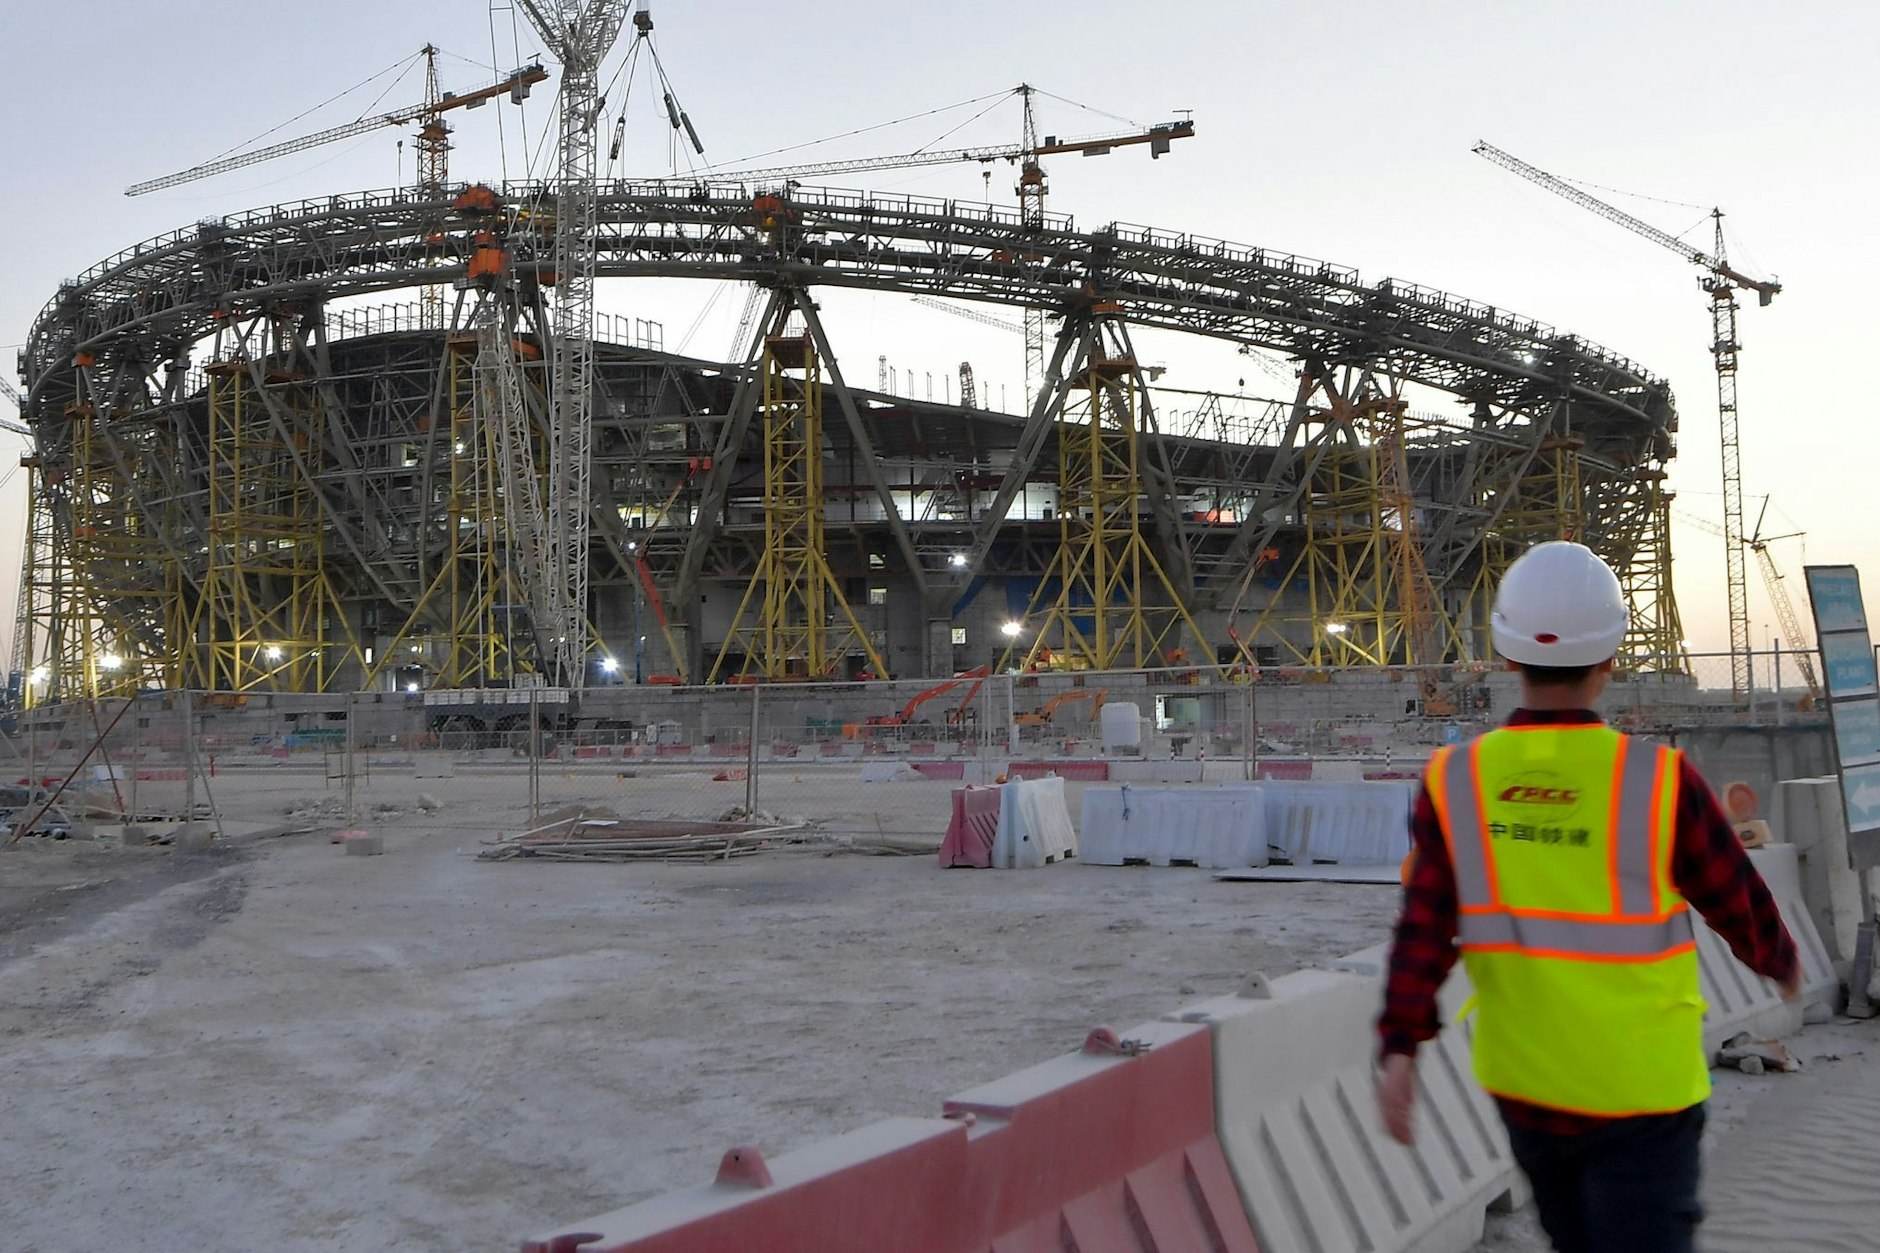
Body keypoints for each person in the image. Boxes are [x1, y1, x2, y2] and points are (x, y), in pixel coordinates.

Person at [1374, 541, 1801, 1253]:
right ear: (1611, 659)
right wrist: (1780, 958)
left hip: (1529, 1090)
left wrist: (1399, 1047)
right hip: (1645, 1092)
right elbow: (1734, 892)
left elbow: (1423, 929)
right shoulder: (1658, 779)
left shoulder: (1456, 781)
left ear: (1508, 655)